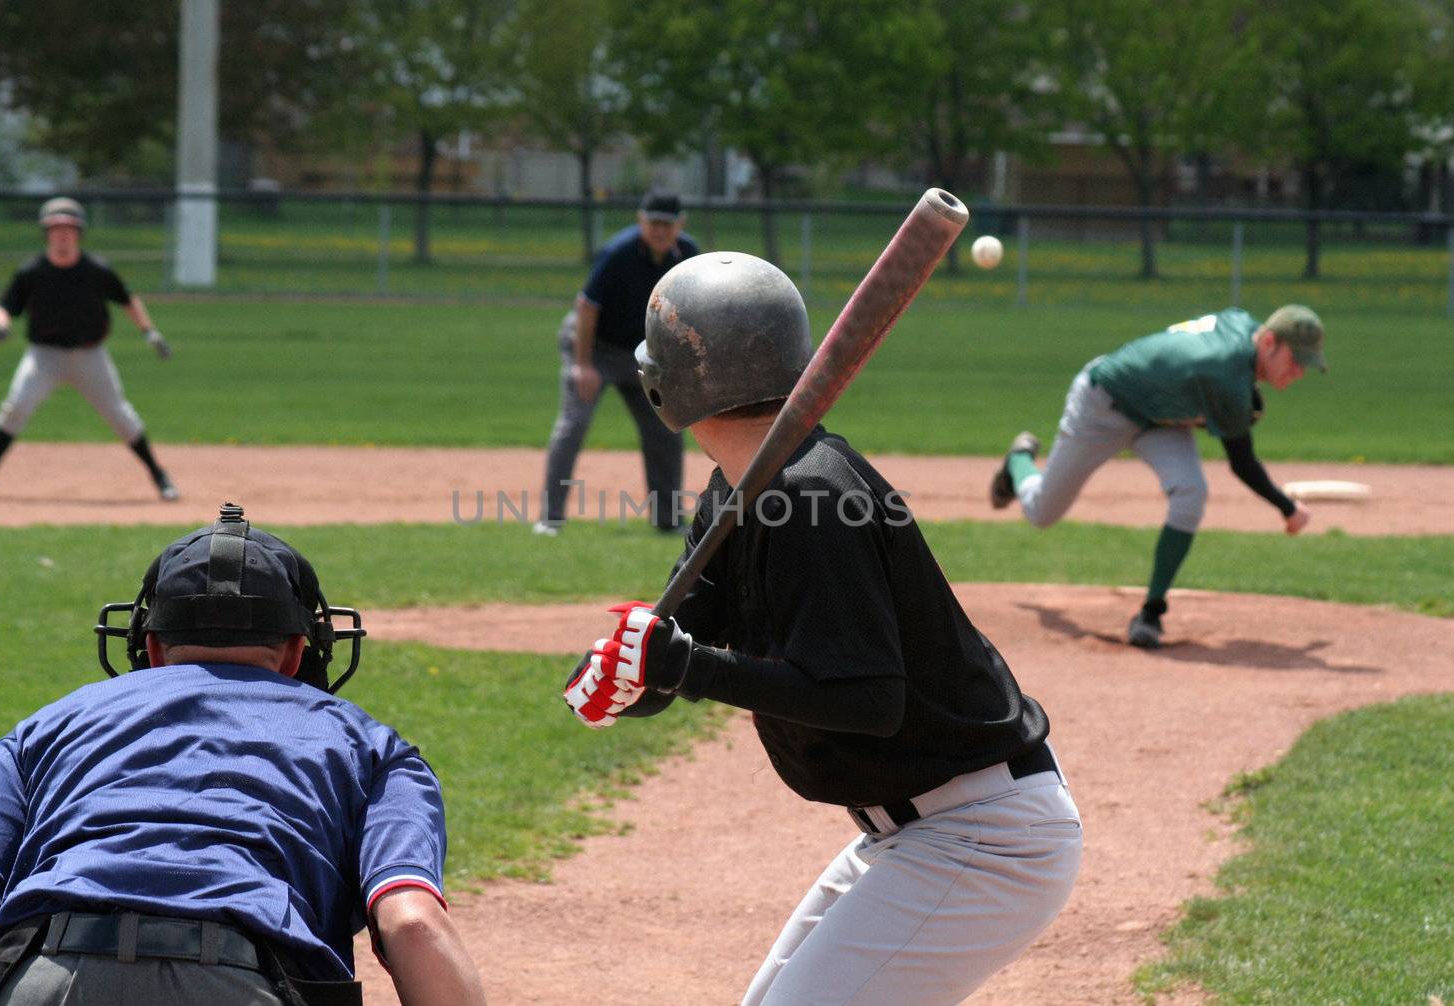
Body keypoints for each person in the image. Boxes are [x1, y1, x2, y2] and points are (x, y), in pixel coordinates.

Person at [562, 253, 1082, 1005]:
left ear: (665, 386)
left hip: (982, 837)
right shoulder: (738, 493)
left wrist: (687, 668)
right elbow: (677, 644)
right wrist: (624, 677)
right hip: (917, 831)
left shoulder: (812, 496)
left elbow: (868, 700)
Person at [0, 503, 485, 1006]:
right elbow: (411, 923)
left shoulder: (41, 730)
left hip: (41, 976)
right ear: (300, 652)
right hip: (245, 982)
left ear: (151, 646)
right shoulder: (374, 748)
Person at [989, 305, 1327, 648]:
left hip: (1160, 419)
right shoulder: (1225, 375)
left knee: (1191, 492)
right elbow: (1242, 463)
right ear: (1269, 341)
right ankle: (1018, 461)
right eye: (1296, 360)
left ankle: (1151, 613)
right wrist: (1288, 508)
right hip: (1104, 404)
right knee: (1041, 511)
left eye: (1307, 364)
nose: (1299, 371)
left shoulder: (1244, 325)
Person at [0, 197, 179, 502]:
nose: (62, 234)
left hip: (89, 356)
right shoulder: (32, 271)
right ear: (46, 234)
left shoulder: (97, 270)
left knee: (120, 416)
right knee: (16, 407)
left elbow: (127, 301)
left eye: (69, 228)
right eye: (56, 229)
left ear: (79, 233)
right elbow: (4, 306)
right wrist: (1, 325)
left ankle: (159, 476)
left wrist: (150, 333)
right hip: (44, 356)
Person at [534, 189, 700, 535]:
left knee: (665, 430)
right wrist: (583, 366)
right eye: (653, 223)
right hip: (595, 348)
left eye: (667, 225)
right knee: (573, 425)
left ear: (680, 225)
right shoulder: (618, 253)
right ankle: (550, 519)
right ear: (641, 221)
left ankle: (669, 521)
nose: (659, 231)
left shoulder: (688, 256)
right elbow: (587, 307)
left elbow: (692, 311)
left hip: (644, 354)